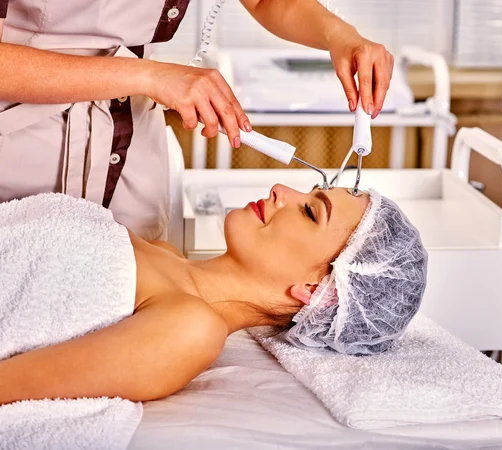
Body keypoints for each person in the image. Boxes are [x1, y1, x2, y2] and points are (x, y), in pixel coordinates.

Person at [0, 0, 395, 240]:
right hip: (20, 150)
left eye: (311, 211)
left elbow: (264, 1)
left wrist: (339, 34)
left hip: (129, 159)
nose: (279, 191)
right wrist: (148, 77)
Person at [0, 184, 427, 404]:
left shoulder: (191, 330)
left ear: (317, 292)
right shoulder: (165, 254)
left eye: (310, 211)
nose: (281, 190)